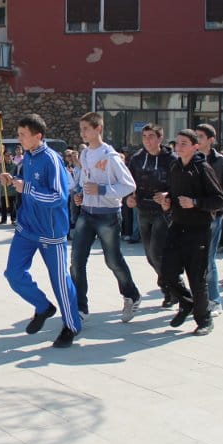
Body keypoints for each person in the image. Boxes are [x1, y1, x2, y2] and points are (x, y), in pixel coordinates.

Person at [1, 114, 81, 348]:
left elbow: (58, 197)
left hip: (50, 231)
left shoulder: (52, 160)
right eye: (18, 134)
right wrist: (12, 180)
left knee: (60, 281)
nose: (19, 139)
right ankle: (43, 306)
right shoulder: (27, 156)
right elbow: (27, 184)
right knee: (13, 274)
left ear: (38, 136)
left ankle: (71, 325)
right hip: (26, 226)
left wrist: (26, 187)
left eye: (23, 135)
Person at [70, 112, 141, 323]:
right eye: (81, 129)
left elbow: (129, 185)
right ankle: (80, 307)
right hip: (86, 213)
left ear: (98, 129)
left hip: (108, 216)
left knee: (113, 260)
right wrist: (80, 195)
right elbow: (85, 181)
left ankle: (131, 295)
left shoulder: (110, 156)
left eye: (86, 129)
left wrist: (102, 190)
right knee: (76, 261)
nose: (82, 133)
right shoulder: (84, 155)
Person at [157, 130, 223, 336]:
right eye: (177, 143)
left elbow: (220, 200)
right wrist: (167, 200)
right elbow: (174, 193)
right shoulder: (175, 166)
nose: (179, 147)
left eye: (184, 143)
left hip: (199, 229)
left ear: (195, 147)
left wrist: (195, 202)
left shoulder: (203, 168)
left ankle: (204, 319)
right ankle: (186, 302)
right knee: (167, 272)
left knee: (197, 277)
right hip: (177, 225)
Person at [127, 123, 178, 308]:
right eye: (144, 137)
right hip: (143, 210)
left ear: (160, 138)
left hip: (162, 211)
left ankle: (172, 289)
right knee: (150, 256)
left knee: (157, 253)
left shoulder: (171, 159)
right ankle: (172, 285)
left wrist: (167, 195)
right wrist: (129, 197)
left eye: (151, 137)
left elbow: (179, 184)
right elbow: (128, 183)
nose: (147, 140)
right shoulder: (137, 159)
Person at [195, 124, 223, 318]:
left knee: (208, 259)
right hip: (192, 216)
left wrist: (218, 203)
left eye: (200, 136)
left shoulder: (221, 162)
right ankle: (197, 299)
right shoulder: (192, 159)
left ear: (211, 140)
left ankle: (214, 300)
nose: (197, 140)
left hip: (213, 217)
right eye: (195, 136)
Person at [0, 151, 17, 224]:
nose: (8, 157)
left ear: (12, 156)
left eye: (9, 155)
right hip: (4, 188)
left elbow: (16, 175)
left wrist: (10, 180)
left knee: (13, 205)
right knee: (3, 205)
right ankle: (3, 219)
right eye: (6, 155)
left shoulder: (15, 165)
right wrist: (4, 179)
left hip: (12, 188)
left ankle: (13, 219)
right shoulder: (1, 165)